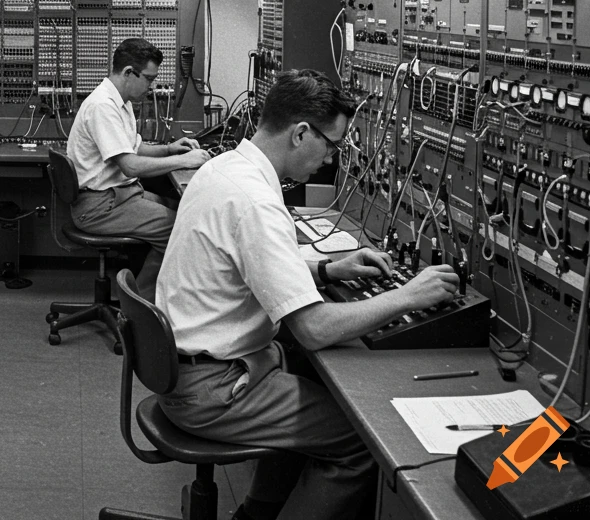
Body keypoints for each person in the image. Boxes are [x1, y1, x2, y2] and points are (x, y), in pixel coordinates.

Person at [154, 69, 460, 520]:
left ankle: (257, 512)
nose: (330, 160)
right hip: (211, 389)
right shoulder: (256, 201)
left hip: (186, 369)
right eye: (331, 146)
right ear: (300, 133)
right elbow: (314, 329)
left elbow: (247, 266)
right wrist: (408, 296)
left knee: (303, 369)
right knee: (362, 439)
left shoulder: (224, 169)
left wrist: (328, 268)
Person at [65, 38, 210, 288]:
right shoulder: (103, 106)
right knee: (181, 228)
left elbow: (133, 148)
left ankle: (146, 297)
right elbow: (130, 166)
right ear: (128, 72)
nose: (151, 87)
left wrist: (168, 149)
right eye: (149, 79)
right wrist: (183, 160)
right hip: (100, 207)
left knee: (186, 212)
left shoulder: (122, 102)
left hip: (119, 196)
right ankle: (141, 307)